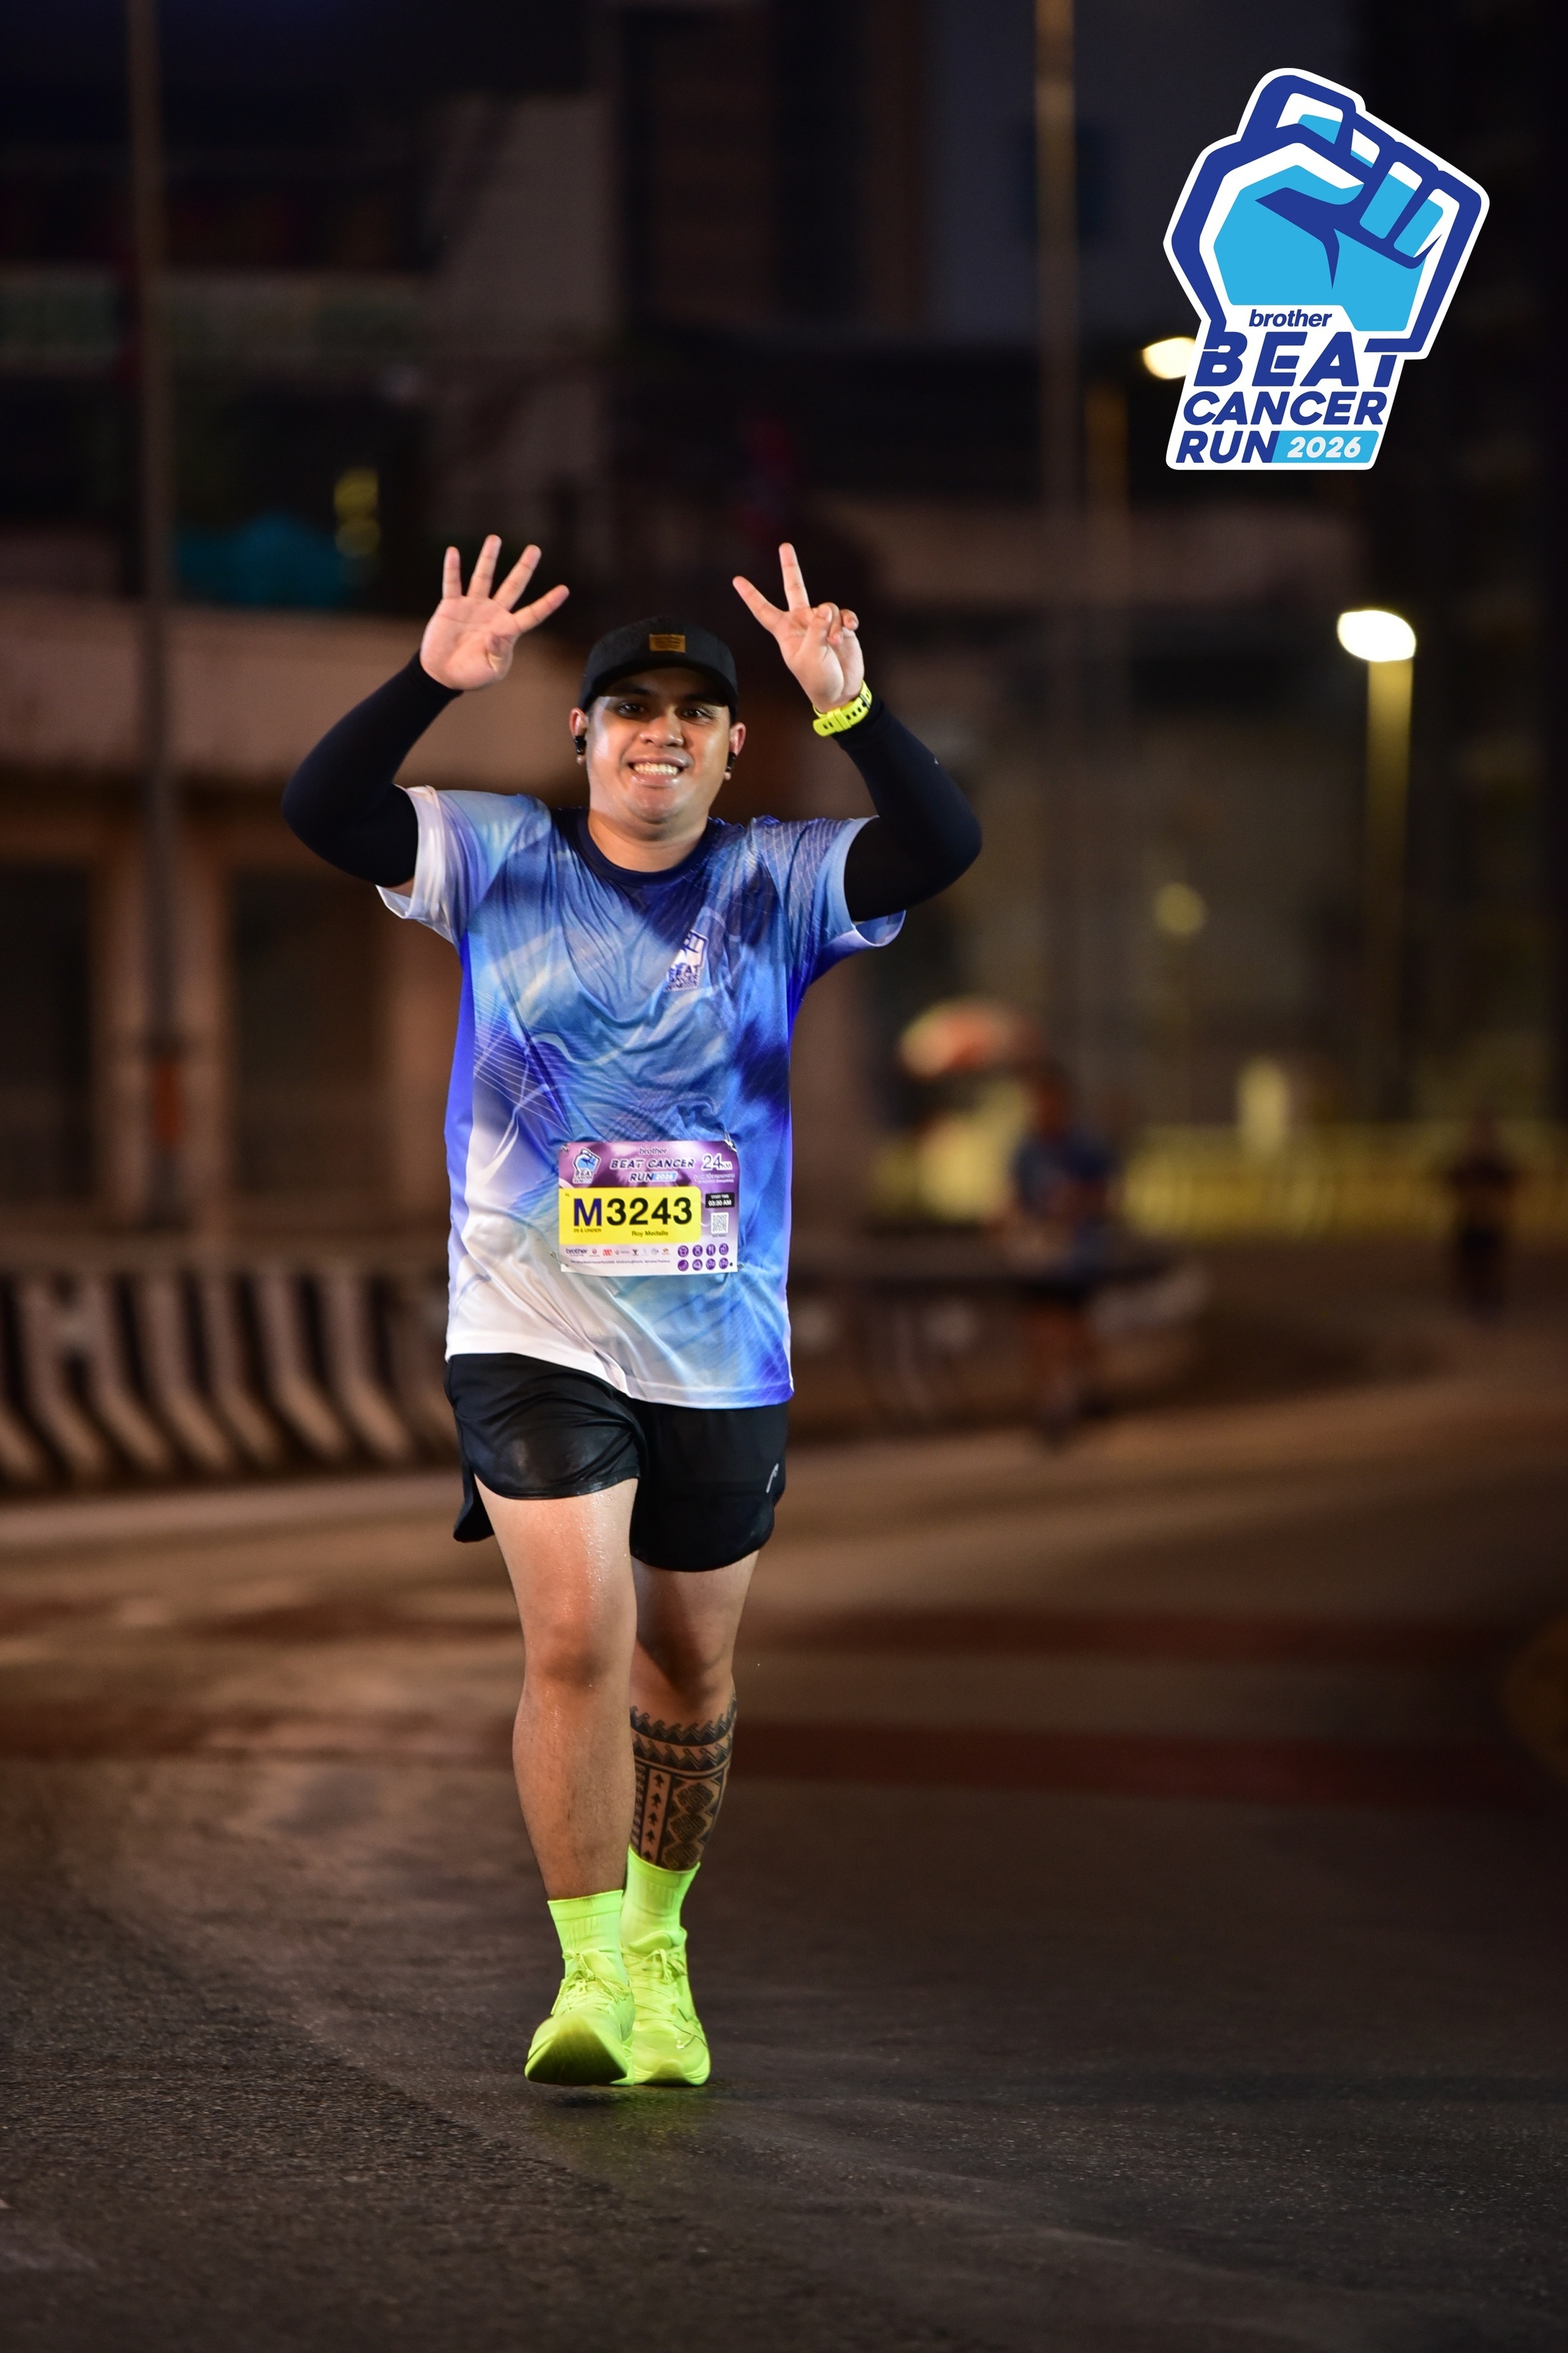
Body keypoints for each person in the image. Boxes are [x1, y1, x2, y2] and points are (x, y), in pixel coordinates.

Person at [282, 537, 980, 2087]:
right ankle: (591, 1972)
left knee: (690, 1667)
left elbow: (940, 845)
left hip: (720, 1350)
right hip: (529, 1323)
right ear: (582, 737)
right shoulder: (495, 854)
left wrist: (852, 709)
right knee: (578, 1632)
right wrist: (425, 681)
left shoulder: (780, 879)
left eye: (693, 714)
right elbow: (321, 809)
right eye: (629, 710)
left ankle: (660, 1945)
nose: (659, 731)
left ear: (730, 749)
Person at [1003, 1062, 1119, 1439]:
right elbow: (1015, 1199)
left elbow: (1110, 1197)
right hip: (1039, 1255)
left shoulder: (1086, 1146)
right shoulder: (1026, 1151)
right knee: (1040, 1330)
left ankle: (1088, 1391)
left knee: (1073, 1329)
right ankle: (1051, 1405)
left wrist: (1078, 1204)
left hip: (1077, 1256)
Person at [1443, 1112, 1521, 1319]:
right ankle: (1474, 1298)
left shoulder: (1497, 1165)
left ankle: (1487, 1298)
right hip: (1471, 1222)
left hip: (1490, 1224)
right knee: (1470, 1263)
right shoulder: (1466, 1164)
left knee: (1489, 1263)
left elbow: (1510, 1187)